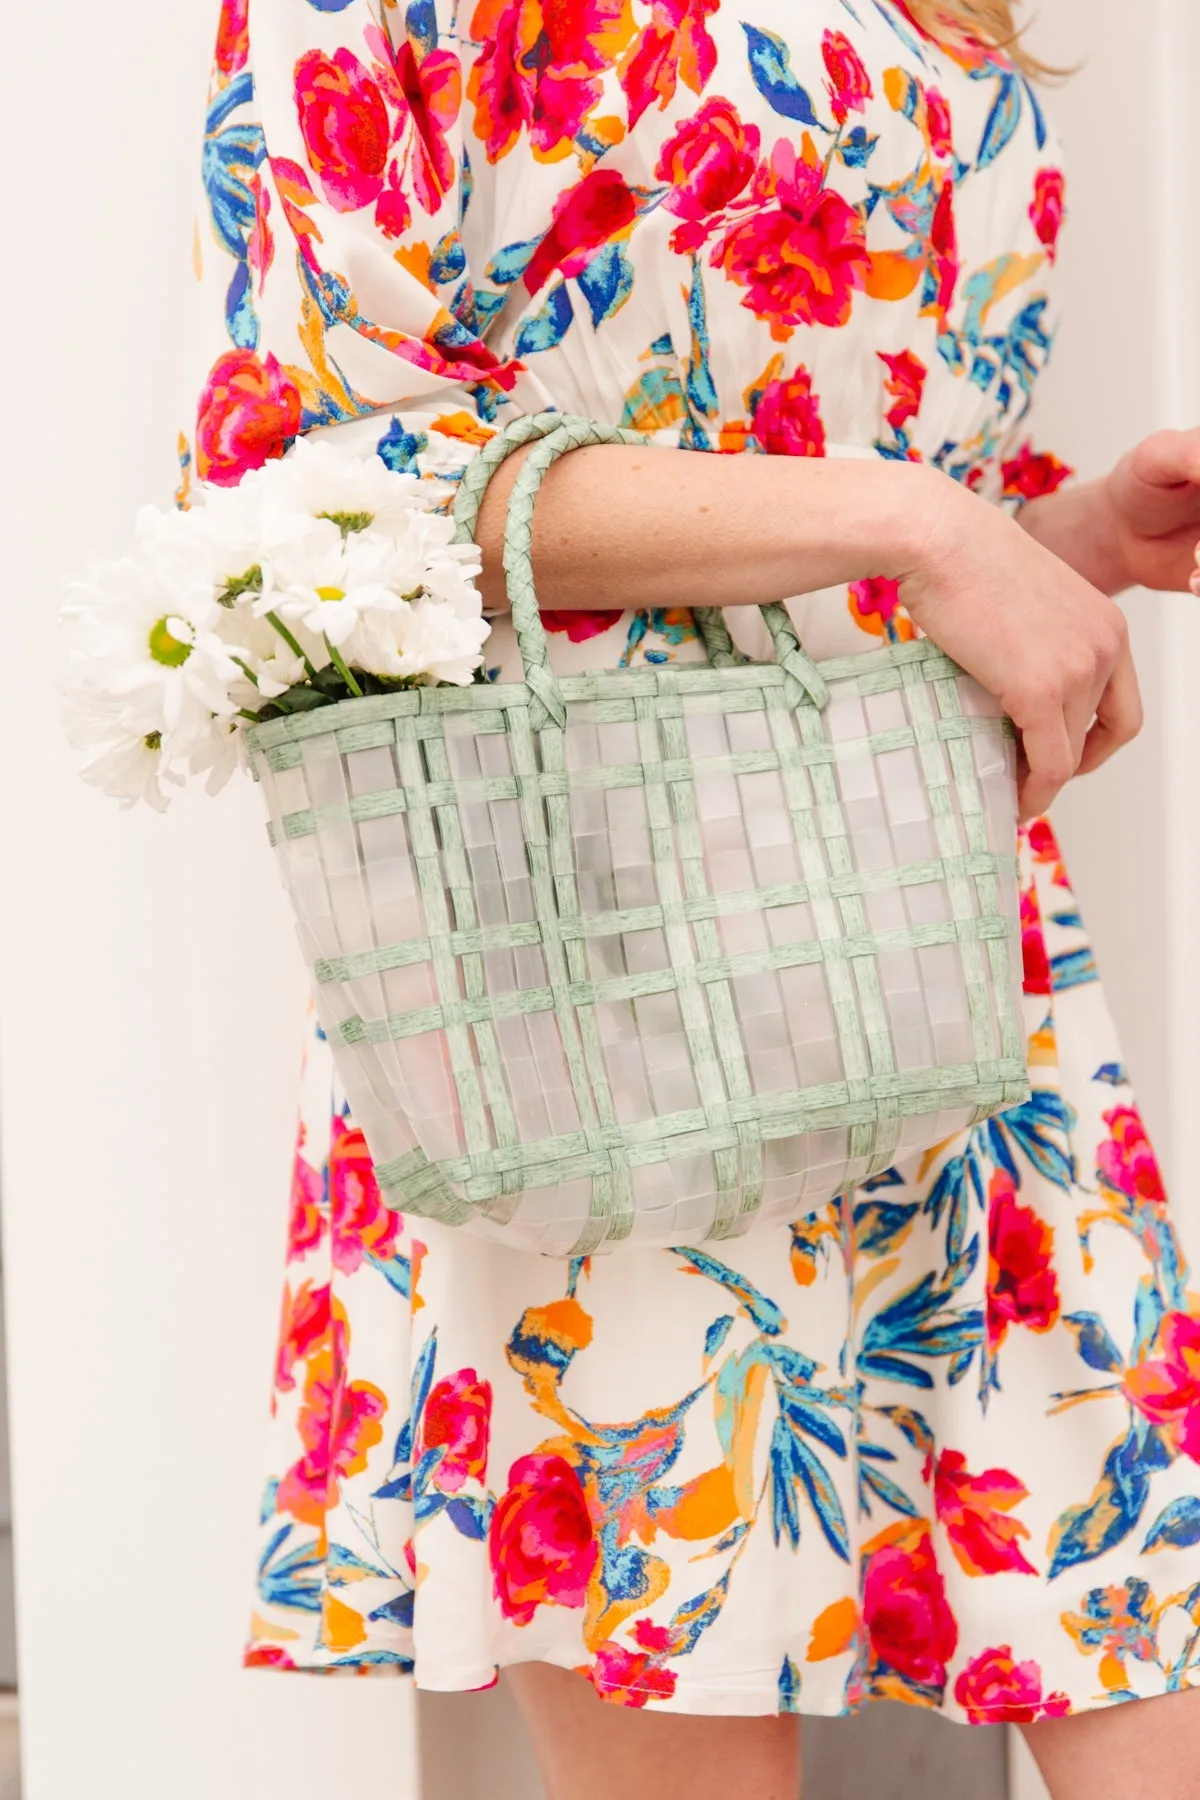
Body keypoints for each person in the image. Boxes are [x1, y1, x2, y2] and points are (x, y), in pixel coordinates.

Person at [191, 1, 1200, 1794]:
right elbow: (311, 487)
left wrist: (1057, 538)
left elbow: (852, 508)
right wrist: (924, 527)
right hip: (588, 967)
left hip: (936, 943)